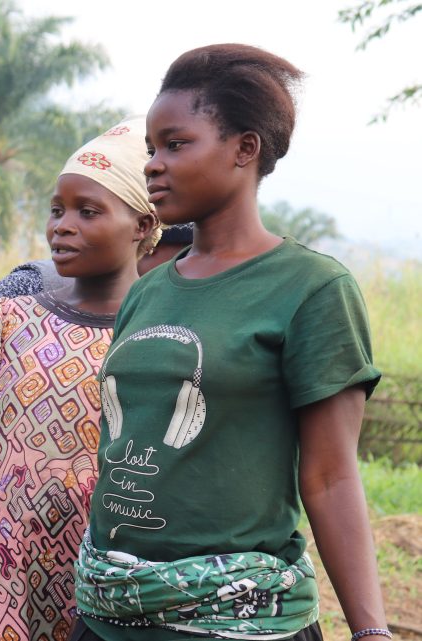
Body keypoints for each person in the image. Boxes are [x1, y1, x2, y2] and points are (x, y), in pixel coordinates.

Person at [72, 45, 388, 641]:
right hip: (108, 616)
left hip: (236, 625)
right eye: (150, 149)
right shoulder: (148, 290)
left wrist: (371, 630)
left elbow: (331, 476)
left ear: (246, 149)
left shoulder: (311, 289)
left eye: (176, 143)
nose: (153, 165)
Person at [0, 117, 159, 641]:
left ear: (142, 225)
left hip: (101, 586)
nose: (61, 226)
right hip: (0, 579)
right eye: (56, 210)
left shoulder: (157, 338)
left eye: (88, 212)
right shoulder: (10, 322)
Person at [0, 228, 190, 436]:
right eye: (184, 255)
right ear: (147, 237)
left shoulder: (174, 307)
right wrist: (0, 438)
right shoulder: (40, 284)